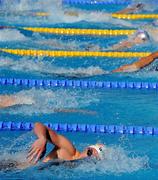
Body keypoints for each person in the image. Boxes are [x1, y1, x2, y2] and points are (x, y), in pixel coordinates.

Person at [27, 122, 105, 164]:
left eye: (93, 158)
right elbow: (38, 125)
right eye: (89, 152)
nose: (87, 157)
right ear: (87, 148)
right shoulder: (69, 149)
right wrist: (42, 138)